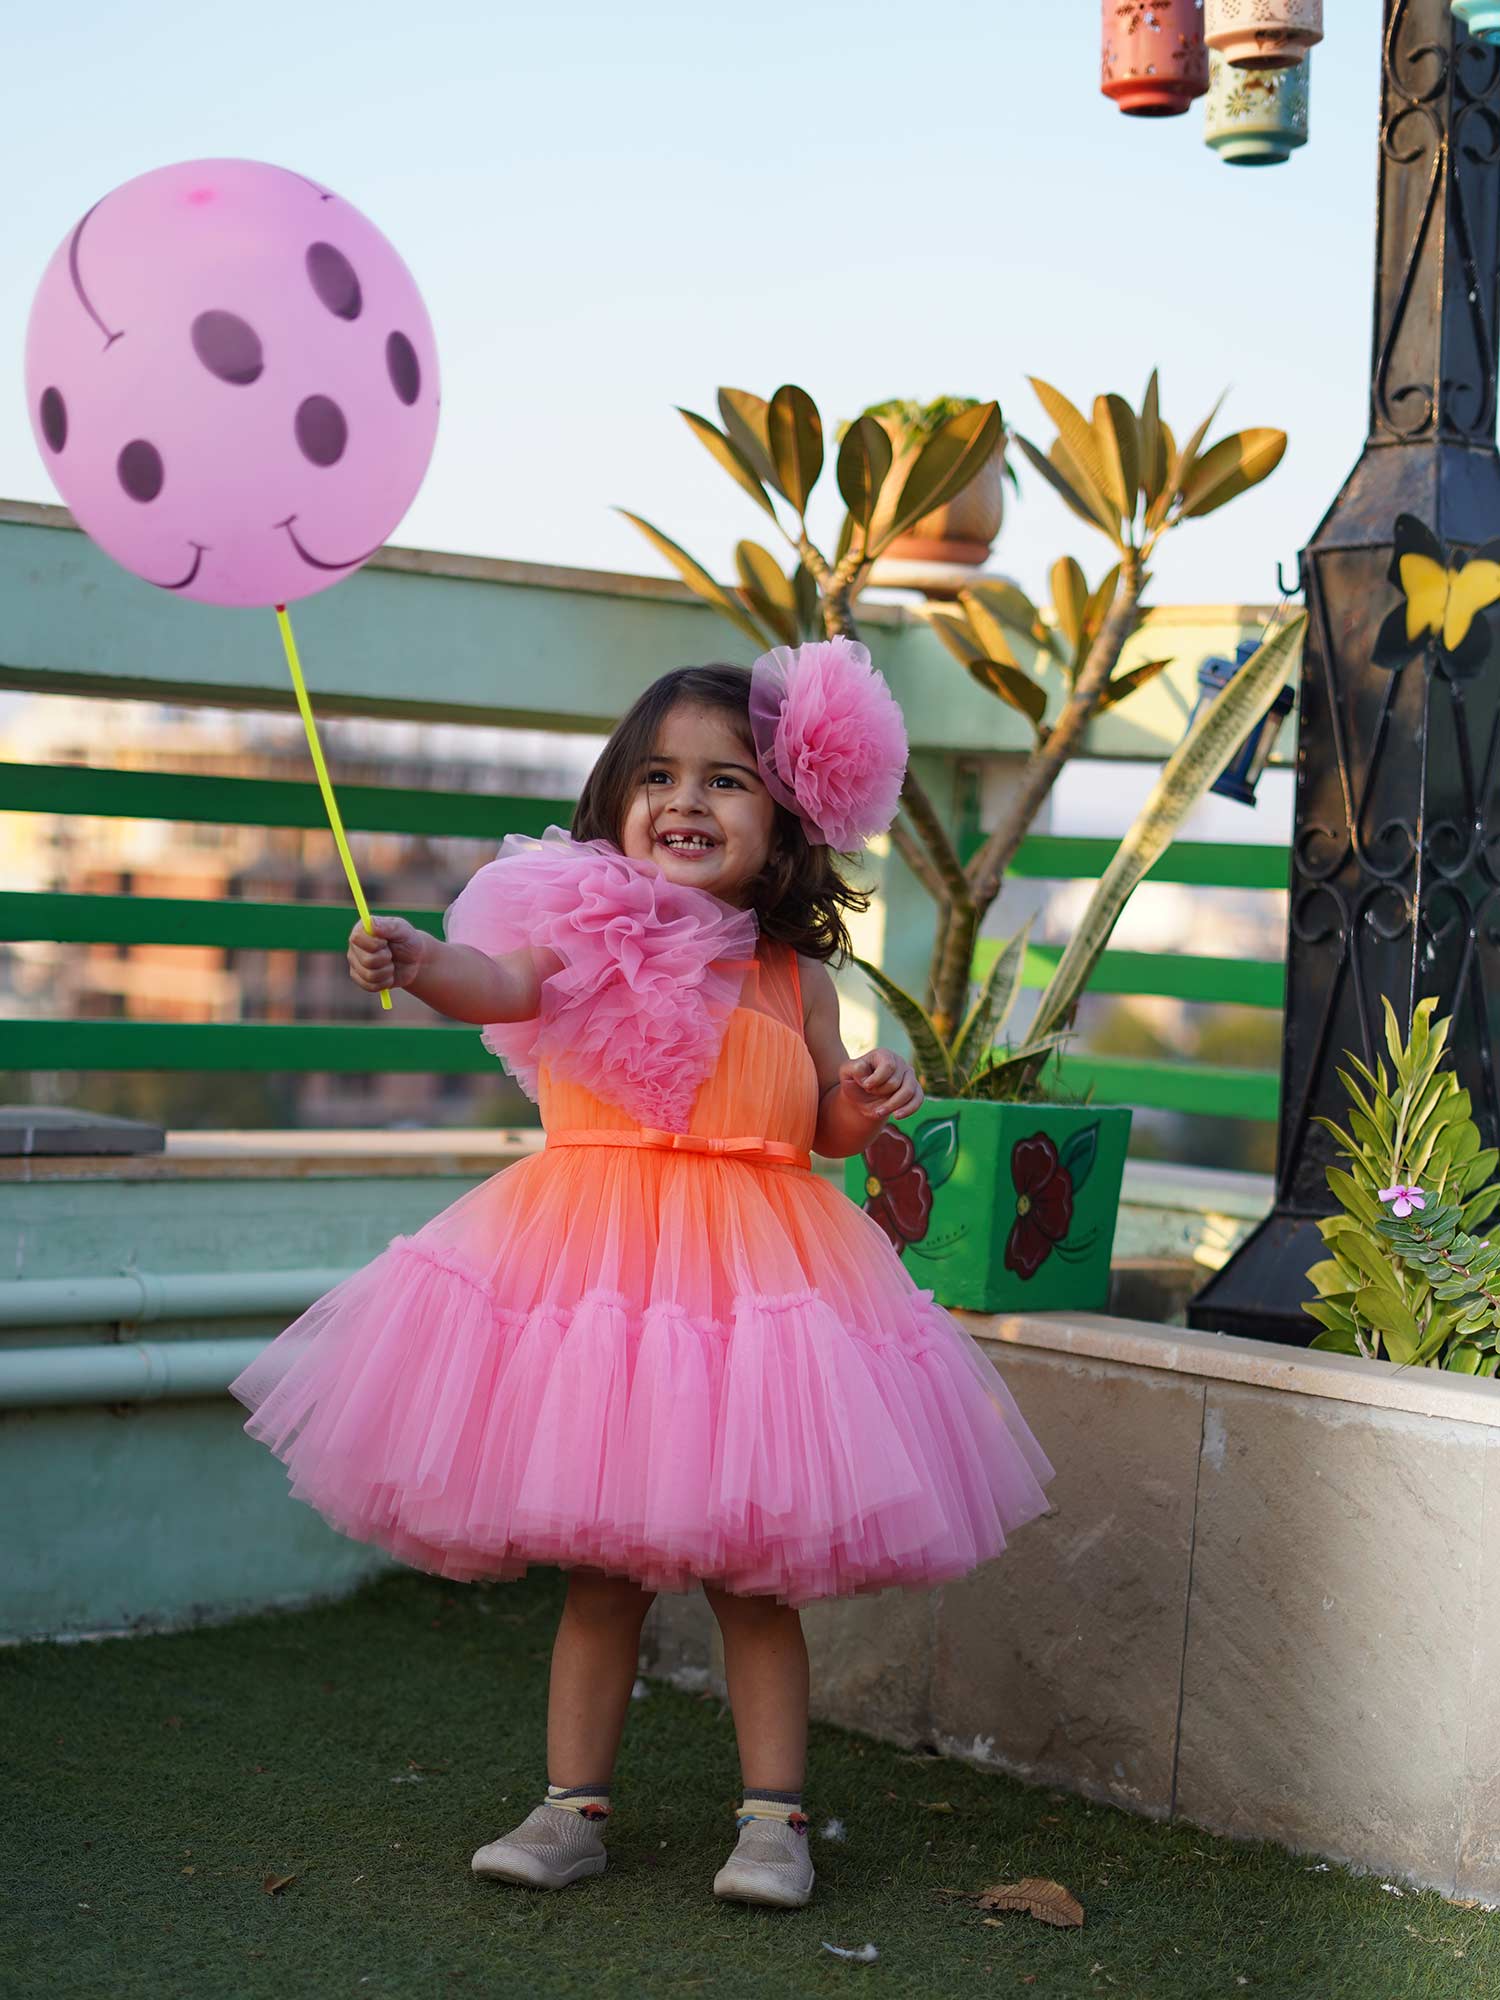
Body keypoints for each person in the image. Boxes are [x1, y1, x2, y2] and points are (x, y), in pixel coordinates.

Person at [230, 636, 1055, 1912]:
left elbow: (824, 1128)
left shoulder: (796, 974)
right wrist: (413, 953)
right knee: (602, 1575)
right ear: (616, 800)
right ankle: (572, 1810)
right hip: (596, 1288)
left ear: (785, 820)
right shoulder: (584, 929)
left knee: (752, 1575)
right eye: (659, 775)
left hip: (757, 1299)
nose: (686, 800)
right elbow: (492, 979)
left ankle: (775, 1820)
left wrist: (867, 1099)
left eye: (727, 781)